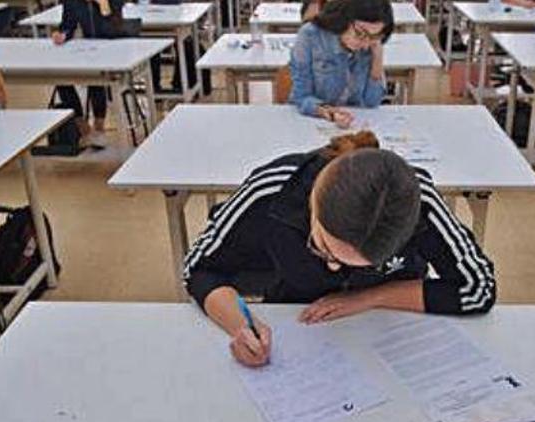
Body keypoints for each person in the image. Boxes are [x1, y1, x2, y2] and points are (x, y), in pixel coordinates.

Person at [183, 132, 497, 367]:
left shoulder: (419, 201)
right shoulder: (273, 191)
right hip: (299, 326)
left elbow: (479, 289)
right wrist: (241, 325)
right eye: (322, 247)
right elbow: (198, 267)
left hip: (391, 330)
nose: (334, 267)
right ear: (314, 203)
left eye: (367, 264)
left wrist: (371, 297)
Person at [288, 0, 394, 129]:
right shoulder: (310, 36)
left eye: (374, 36)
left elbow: (371, 103)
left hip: (355, 124)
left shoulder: (370, 44)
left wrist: (378, 56)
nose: (365, 43)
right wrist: (329, 112)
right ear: (342, 19)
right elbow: (301, 96)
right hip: (311, 122)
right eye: (360, 33)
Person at [52, 0, 126, 148]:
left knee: (96, 77)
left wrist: (103, 5)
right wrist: (62, 35)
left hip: (111, 48)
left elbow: (116, 24)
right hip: (84, 51)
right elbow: (67, 25)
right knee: (60, 77)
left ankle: (99, 128)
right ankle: (83, 127)